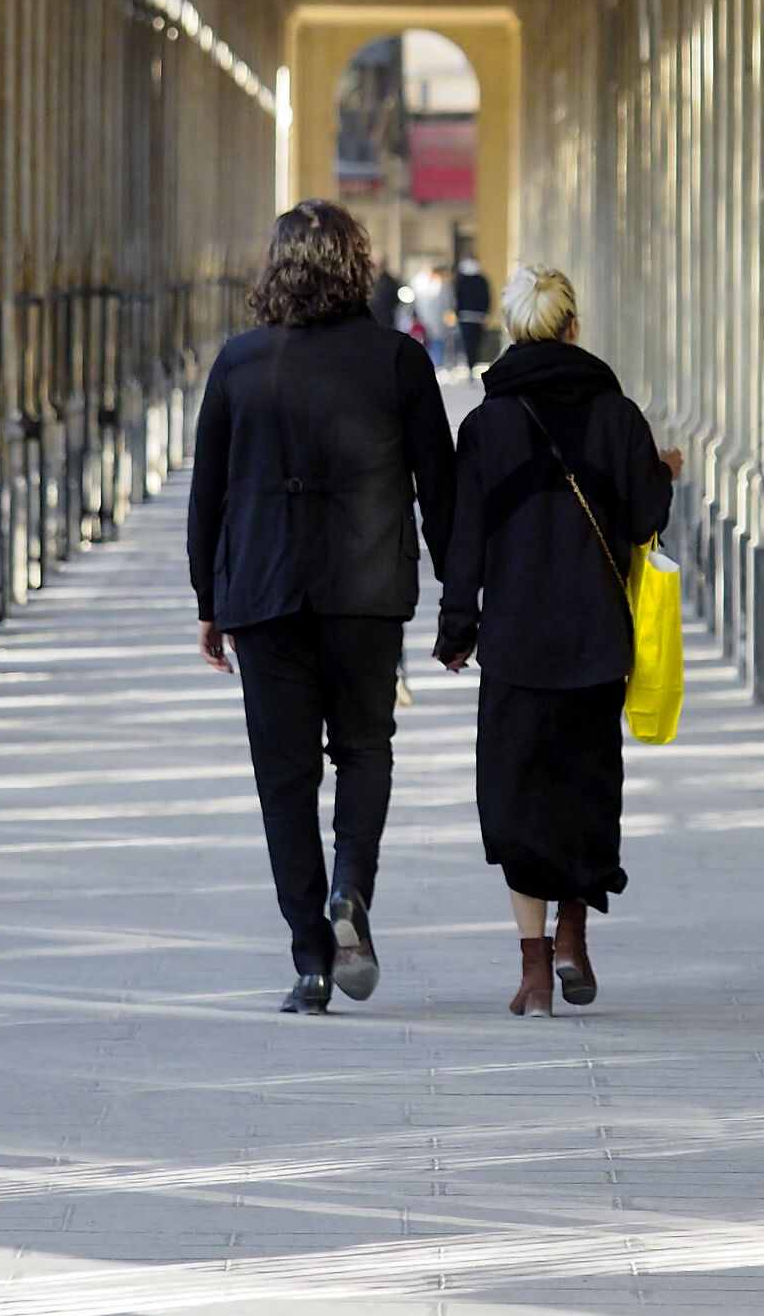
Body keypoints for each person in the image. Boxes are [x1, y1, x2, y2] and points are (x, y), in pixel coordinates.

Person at [189, 200, 457, 1014]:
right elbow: (440, 491)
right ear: (359, 265)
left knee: (285, 776)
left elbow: (209, 497)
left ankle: (310, 956)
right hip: (366, 593)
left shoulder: (238, 363)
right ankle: (350, 887)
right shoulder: (397, 363)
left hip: (265, 594)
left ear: (275, 268)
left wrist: (210, 599)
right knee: (366, 750)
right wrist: (461, 603)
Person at [434, 265, 679, 1017]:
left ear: (513, 331)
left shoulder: (486, 427)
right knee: (584, 794)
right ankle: (574, 935)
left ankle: (535, 972)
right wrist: (663, 471)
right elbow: (645, 519)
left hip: (516, 645)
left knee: (516, 802)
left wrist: (456, 629)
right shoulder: (618, 415)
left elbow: (461, 541)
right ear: (574, 327)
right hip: (598, 642)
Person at [451, 255, 492, 373]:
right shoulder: (482, 280)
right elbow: (487, 298)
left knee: (468, 343)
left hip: (465, 317)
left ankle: (470, 364)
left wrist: (457, 313)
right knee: (476, 343)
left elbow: (457, 299)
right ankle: (472, 364)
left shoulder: (461, 280)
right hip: (478, 317)